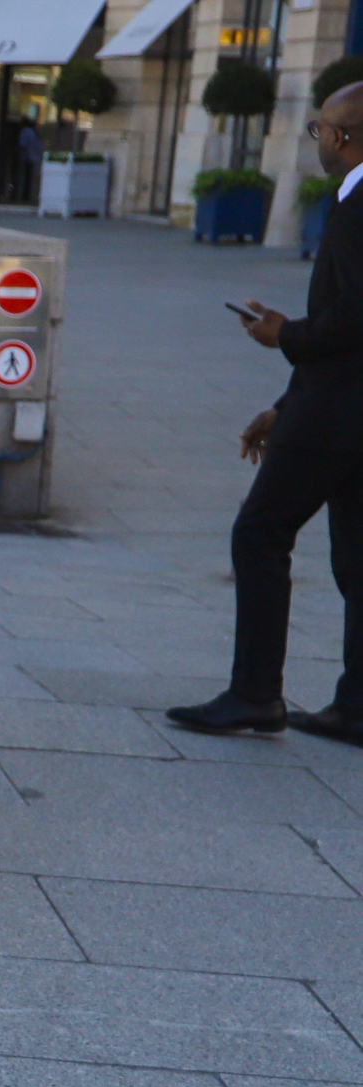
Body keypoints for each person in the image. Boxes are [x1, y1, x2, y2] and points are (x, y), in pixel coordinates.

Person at [169, 83, 363, 744]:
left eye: (322, 129)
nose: (319, 141)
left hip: (340, 414)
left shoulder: (359, 205)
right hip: (332, 407)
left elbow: (354, 321)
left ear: (344, 135)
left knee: (259, 533)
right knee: (358, 559)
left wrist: (284, 335)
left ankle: (255, 694)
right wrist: (285, 405)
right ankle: (357, 706)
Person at [14, 117, 44, 203]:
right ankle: (29, 196)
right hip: (35, 158)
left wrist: (18, 155)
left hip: (27, 158)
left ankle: (23, 196)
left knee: (25, 178)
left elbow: (22, 145)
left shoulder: (25, 132)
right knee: (31, 178)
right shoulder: (35, 132)